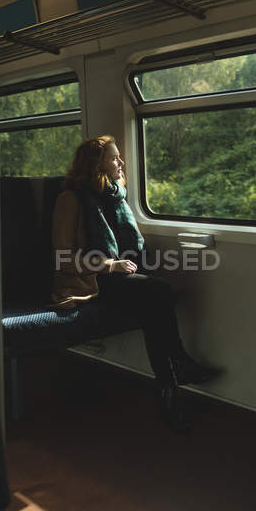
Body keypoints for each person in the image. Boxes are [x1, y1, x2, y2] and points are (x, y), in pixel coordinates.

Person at [51, 135, 216, 431]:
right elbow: (63, 258)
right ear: (96, 164)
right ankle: (179, 367)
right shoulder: (71, 199)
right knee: (158, 292)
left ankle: (169, 392)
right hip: (91, 281)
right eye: (114, 158)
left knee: (153, 305)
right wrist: (110, 265)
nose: (121, 163)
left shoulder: (115, 196)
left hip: (119, 277)